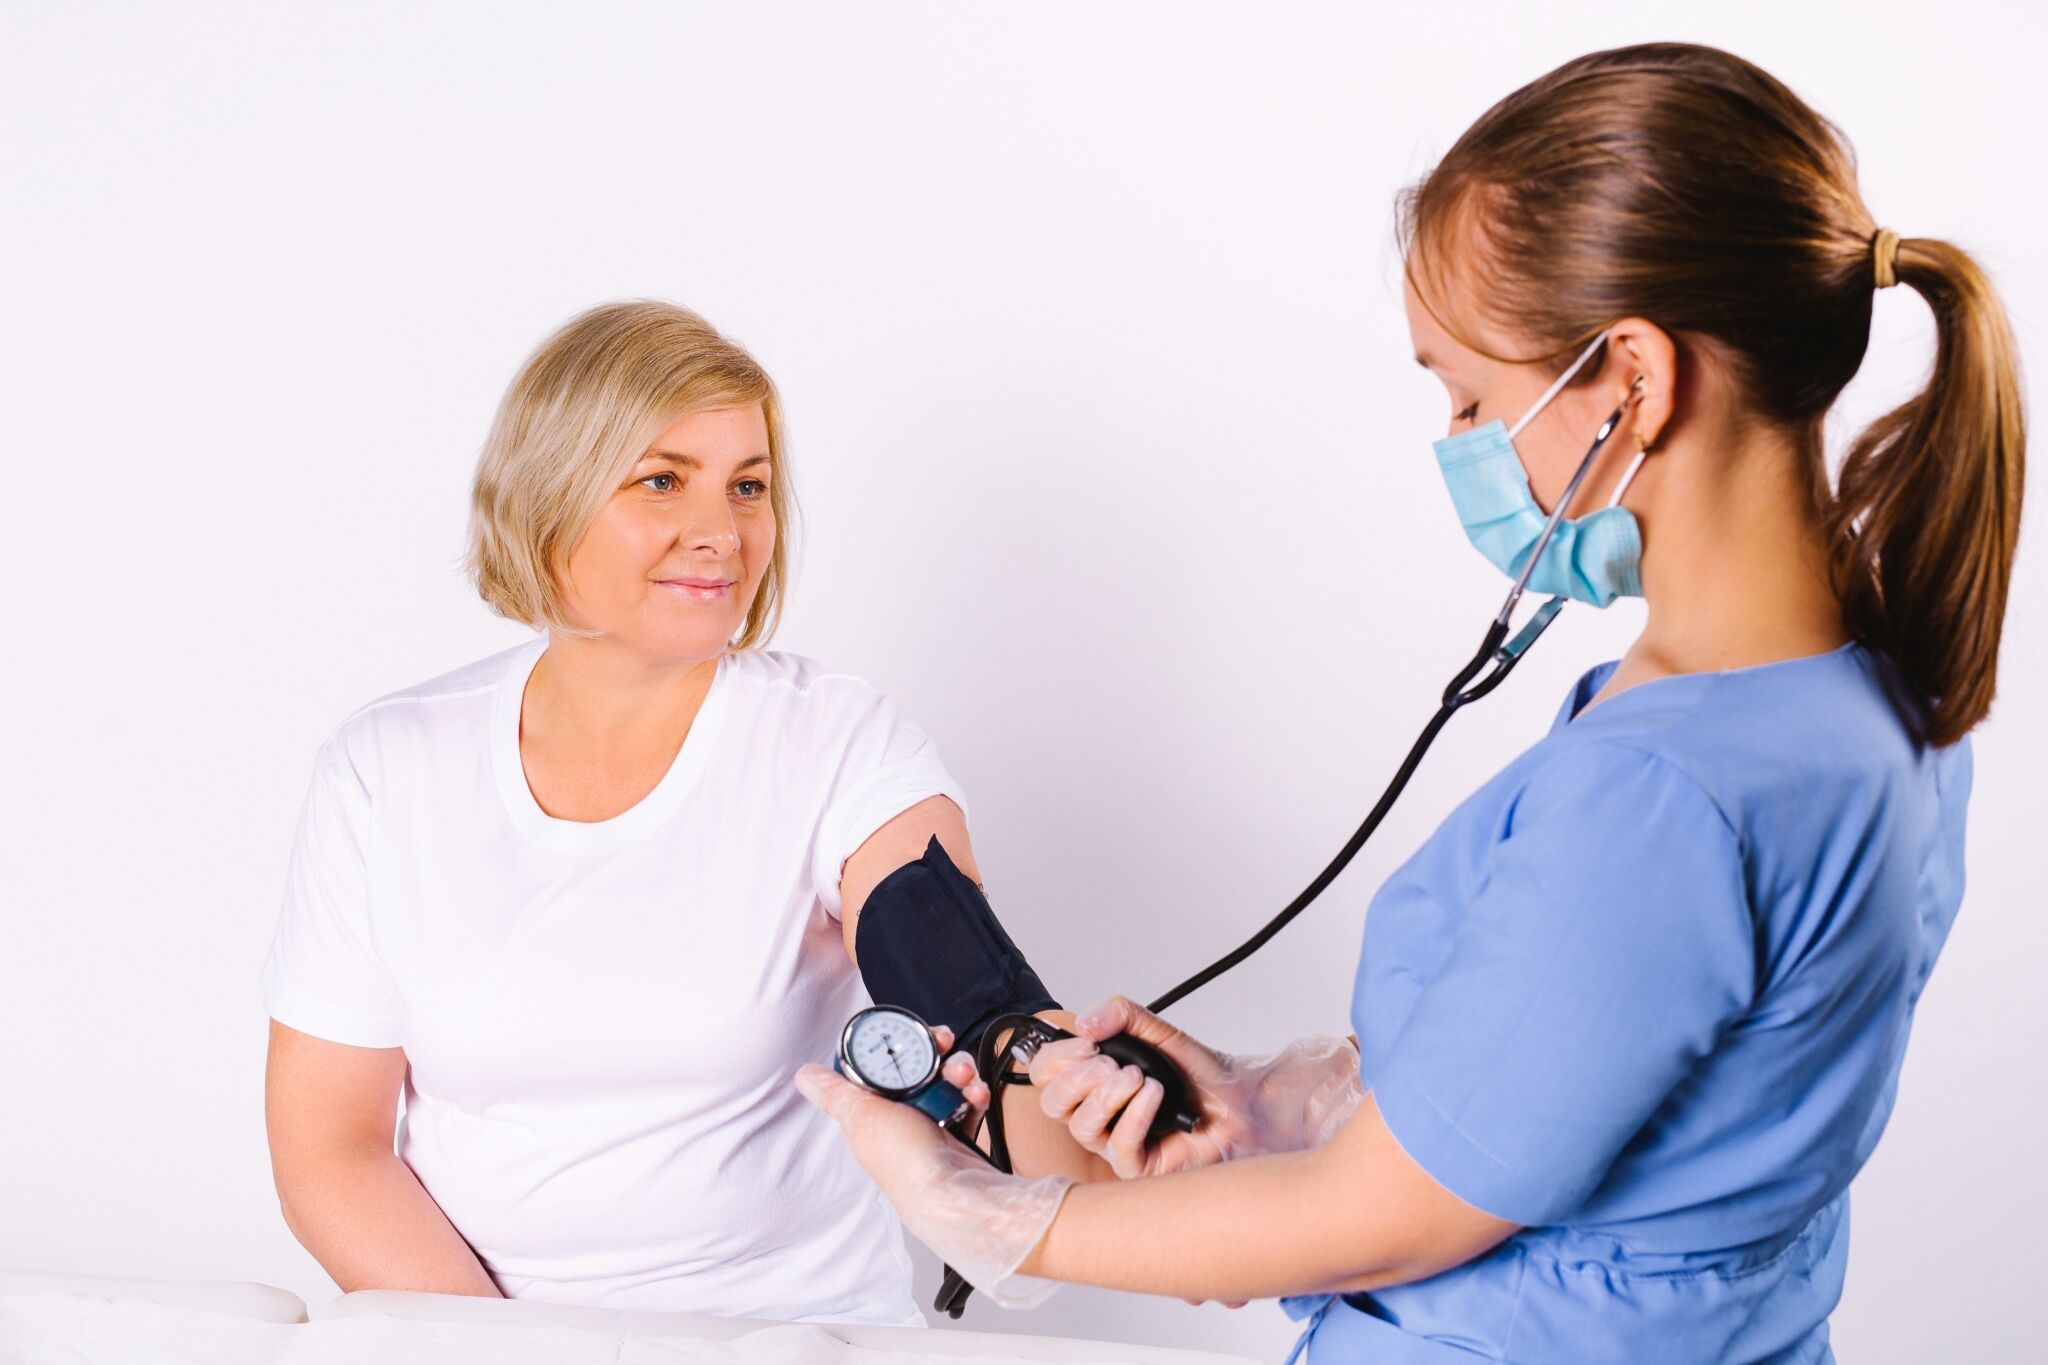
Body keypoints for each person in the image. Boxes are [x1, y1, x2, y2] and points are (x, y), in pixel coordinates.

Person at [795, 42, 2025, 1363]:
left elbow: (1377, 1222)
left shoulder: (1666, 793)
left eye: (1472, 394)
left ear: (1633, 380)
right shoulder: (1880, 695)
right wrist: (1299, 1102)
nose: (1458, 444)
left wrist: (981, 1207)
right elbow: (1640, 1089)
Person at [258, 300, 1064, 1323]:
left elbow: (979, 1008)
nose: (720, 532)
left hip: (799, 1339)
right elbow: (331, 1150)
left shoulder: (837, 745)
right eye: (660, 480)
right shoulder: (386, 770)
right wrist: (507, 1360)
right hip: (483, 1347)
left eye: (748, 486)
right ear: (548, 501)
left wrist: (1075, 1089)